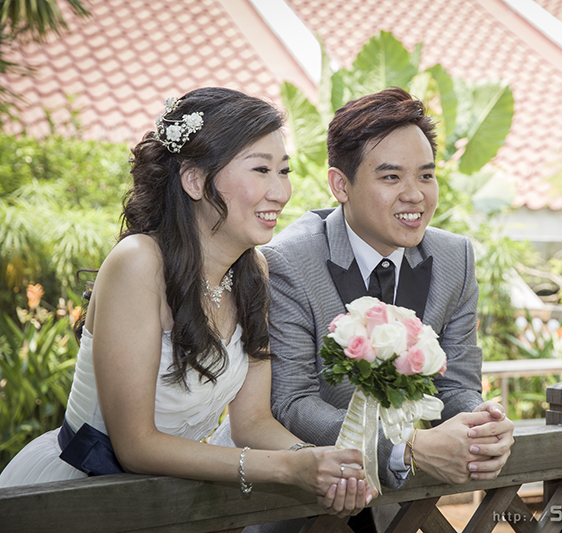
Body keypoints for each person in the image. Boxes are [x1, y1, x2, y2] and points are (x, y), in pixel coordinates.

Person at [0, 87, 374, 518]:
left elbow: (251, 422)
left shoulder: (255, 271)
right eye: (261, 170)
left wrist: (317, 459)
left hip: (174, 502)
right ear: (194, 180)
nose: (280, 191)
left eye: (284, 171)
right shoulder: (138, 263)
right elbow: (135, 446)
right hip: (83, 495)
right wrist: (288, 468)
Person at [213, 87, 514, 532]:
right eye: (391, 177)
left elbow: (456, 384)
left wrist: (482, 422)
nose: (415, 195)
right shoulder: (286, 261)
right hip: (289, 504)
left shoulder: (456, 259)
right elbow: (292, 403)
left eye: (426, 176)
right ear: (341, 185)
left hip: (395, 509)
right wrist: (405, 447)